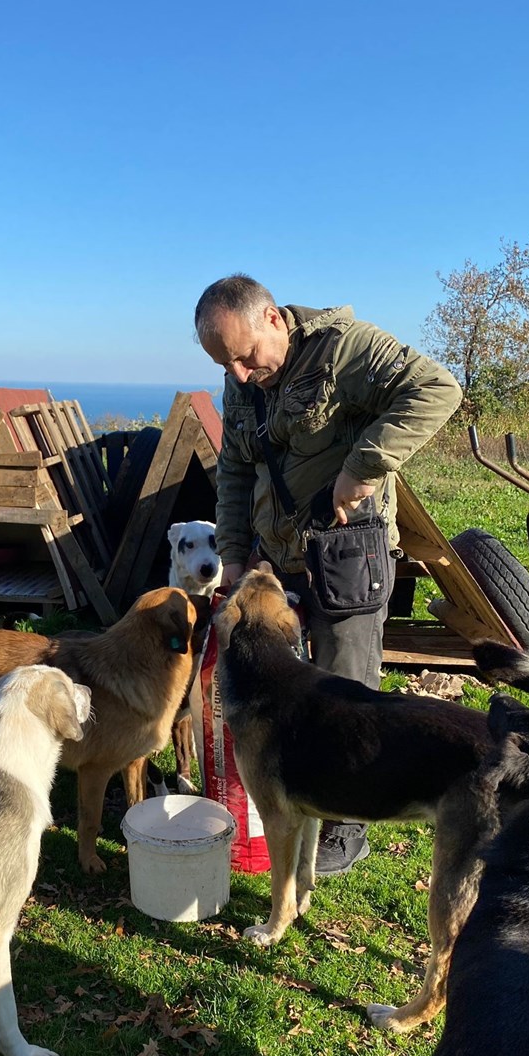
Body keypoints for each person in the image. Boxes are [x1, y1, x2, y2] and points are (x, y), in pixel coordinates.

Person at [195, 274, 462, 874]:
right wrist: (234, 554)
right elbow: (235, 471)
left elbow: (437, 389)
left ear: (272, 319)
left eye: (242, 357)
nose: (237, 374)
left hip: (347, 556)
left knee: (346, 694)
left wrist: (365, 468)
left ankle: (347, 826)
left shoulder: (345, 349)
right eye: (224, 363)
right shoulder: (243, 377)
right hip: (274, 557)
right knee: (281, 690)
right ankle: (291, 794)